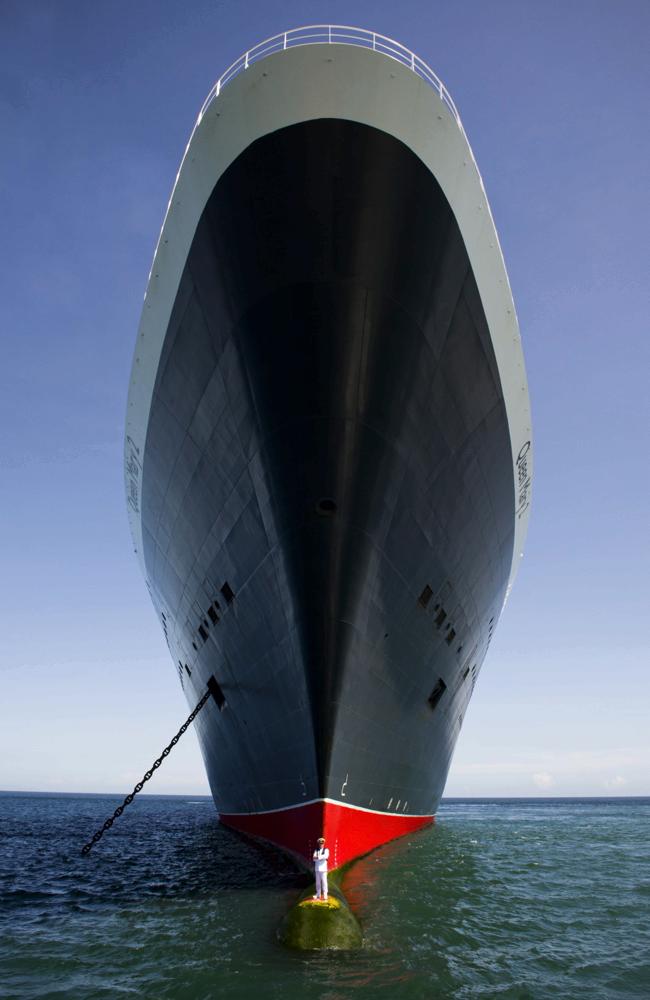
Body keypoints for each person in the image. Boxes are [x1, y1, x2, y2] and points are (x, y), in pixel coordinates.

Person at [312, 836, 329, 900]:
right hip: (317, 869)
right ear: (318, 844)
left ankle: (325, 894)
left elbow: (326, 856)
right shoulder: (316, 850)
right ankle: (318, 894)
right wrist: (321, 857)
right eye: (320, 843)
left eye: (322, 843)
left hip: (323, 869)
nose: (321, 844)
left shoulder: (326, 850)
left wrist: (318, 857)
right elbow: (313, 858)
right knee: (318, 883)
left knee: (324, 882)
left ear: (323, 844)